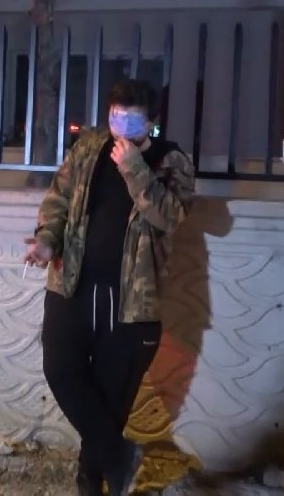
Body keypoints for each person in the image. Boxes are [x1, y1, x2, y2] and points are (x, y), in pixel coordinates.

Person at [24, 79, 194, 496]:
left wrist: (135, 168)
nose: (121, 127)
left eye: (132, 120)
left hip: (131, 300)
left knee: (109, 397)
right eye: (115, 117)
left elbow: (170, 217)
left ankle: (93, 479)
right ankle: (119, 456)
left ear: (151, 122)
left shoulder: (171, 160)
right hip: (72, 286)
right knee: (60, 371)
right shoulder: (88, 147)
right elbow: (59, 199)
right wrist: (46, 240)